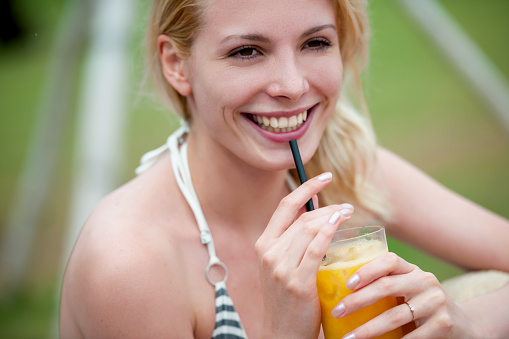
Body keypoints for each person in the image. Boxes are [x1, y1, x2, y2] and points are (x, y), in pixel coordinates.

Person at [59, 0, 509, 338]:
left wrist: (466, 321)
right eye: (248, 51)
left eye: (315, 43)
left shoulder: (343, 167)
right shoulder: (128, 262)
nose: (293, 86)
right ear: (178, 64)